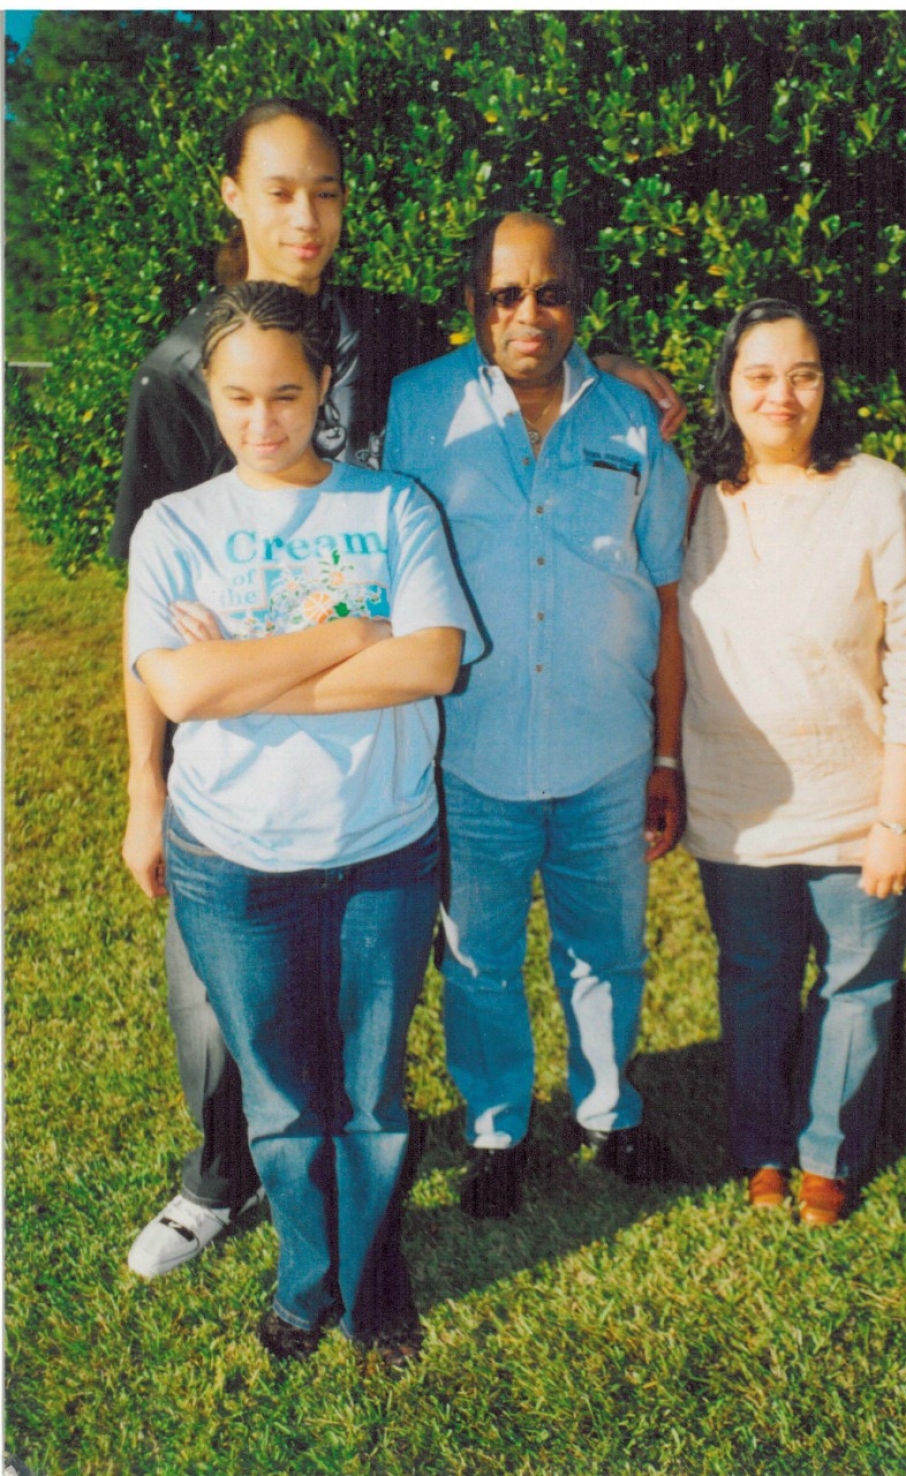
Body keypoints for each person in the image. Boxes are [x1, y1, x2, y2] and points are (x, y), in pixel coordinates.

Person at [113, 98, 687, 1276]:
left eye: (324, 189)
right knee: (224, 995)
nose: (305, 215)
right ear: (231, 195)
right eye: (279, 191)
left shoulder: (384, 334)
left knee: (382, 965)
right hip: (234, 746)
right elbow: (151, 621)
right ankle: (221, 1181)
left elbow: (516, 351)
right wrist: (143, 782)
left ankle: (452, 1130)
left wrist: (611, 372)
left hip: (384, 734)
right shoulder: (179, 372)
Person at [126, 279, 479, 1361]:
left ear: (325, 384)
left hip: (380, 855)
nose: (262, 421)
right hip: (232, 862)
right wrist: (347, 631)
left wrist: (239, 668)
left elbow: (431, 659)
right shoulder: (176, 525)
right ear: (211, 394)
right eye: (238, 397)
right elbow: (174, 691)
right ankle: (304, 1276)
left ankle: (372, 1274)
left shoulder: (391, 507)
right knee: (279, 1098)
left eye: (287, 393)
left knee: (370, 1092)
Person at [384, 212, 690, 1219]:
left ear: (578, 298)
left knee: (605, 948)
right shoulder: (416, 407)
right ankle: (494, 1128)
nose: (529, 313)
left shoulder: (632, 420)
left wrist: (663, 755)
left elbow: (663, 593)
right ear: (472, 301)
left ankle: (607, 1112)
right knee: (477, 960)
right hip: (468, 753)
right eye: (504, 293)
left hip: (604, 750)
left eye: (549, 291)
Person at [678, 297, 906, 1224]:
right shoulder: (693, 501)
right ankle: (763, 1148)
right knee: (755, 982)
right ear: (726, 388)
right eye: (759, 375)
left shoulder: (879, 494)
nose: (782, 394)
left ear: (826, 383)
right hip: (738, 808)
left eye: (802, 373)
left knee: (856, 986)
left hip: (865, 807)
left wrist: (894, 820)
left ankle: (827, 1155)